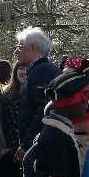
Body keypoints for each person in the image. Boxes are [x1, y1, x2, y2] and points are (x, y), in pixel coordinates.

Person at [15, 26, 60, 165]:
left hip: (40, 148)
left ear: (33, 48)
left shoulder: (40, 72)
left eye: (20, 47)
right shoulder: (46, 69)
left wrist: (26, 144)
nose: (16, 51)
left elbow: (43, 111)